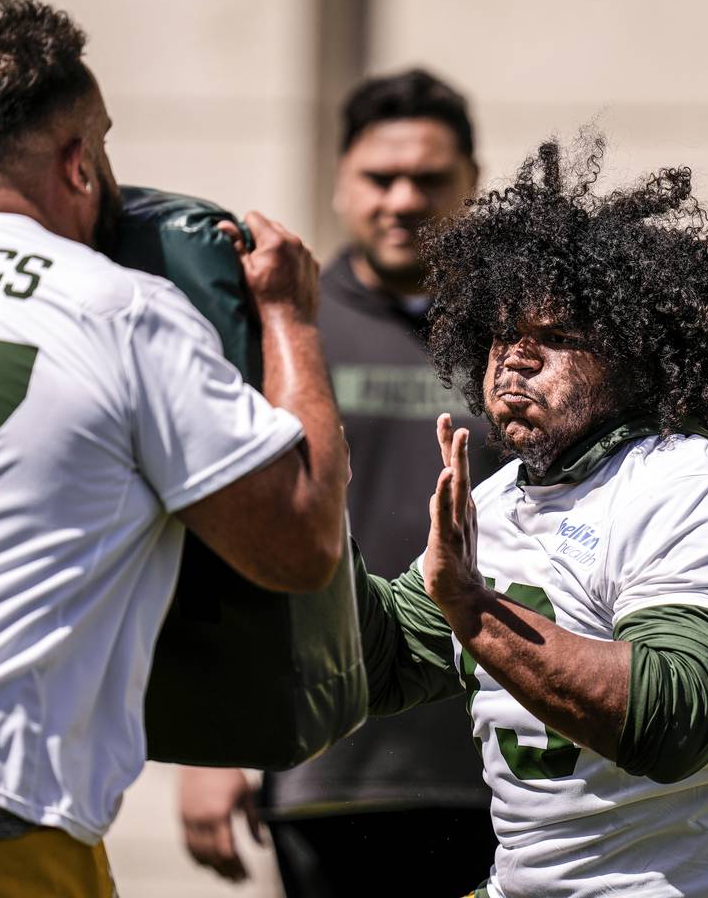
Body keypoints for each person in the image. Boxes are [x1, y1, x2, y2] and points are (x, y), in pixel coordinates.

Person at [0, 0, 347, 897]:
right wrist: (291, 319)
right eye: (105, 144)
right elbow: (301, 542)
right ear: (79, 162)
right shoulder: (121, 309)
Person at [358, 135, 708, 897]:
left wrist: (472, 611)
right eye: (503, 335)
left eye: (554, 339)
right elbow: (374, 665)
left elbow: (670, 718)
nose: (515, 359)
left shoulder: (690, 484)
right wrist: (310, 528)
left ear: (630, 358)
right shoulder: (496, 501)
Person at [180, 69, 498, 894]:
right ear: (340, 182)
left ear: (475, 182)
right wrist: (210, 748)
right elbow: (218, 525)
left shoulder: (522, 334)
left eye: (429, 179)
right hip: (323, 758)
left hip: (502, 765)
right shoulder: (281, 323)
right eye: (379, 177)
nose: (402, 199)